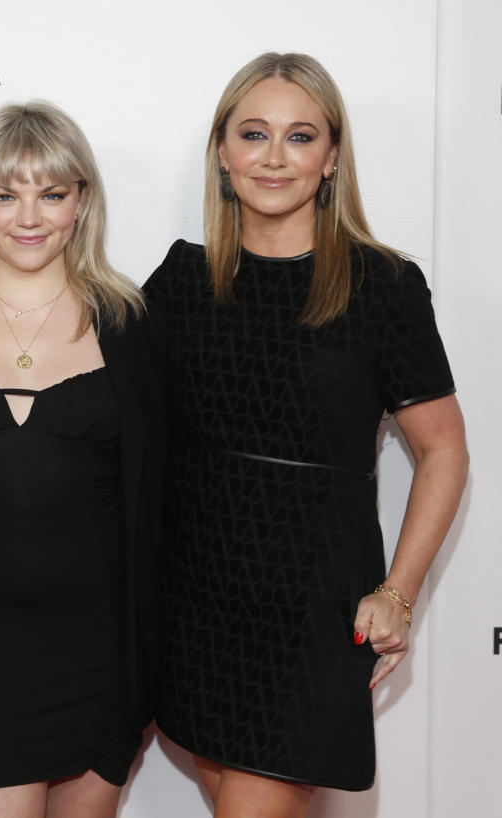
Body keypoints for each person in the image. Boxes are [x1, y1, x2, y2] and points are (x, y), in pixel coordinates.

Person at [143, 52, 468, 818]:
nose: (274, 157)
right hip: (195, 599)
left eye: (300, 136)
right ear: (222, 152)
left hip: (312, 610)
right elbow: (80, 364)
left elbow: (444, 451)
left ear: (330, 159)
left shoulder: (383, 287)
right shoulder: (181, 283)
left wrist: (399, 592)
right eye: (254, 133)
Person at [0, 101, 164, 818]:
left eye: (52, 193)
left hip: (100, 657)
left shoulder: (128, 319)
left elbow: (158, 494)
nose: (29, 216)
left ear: (82, 201)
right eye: (4, 194)